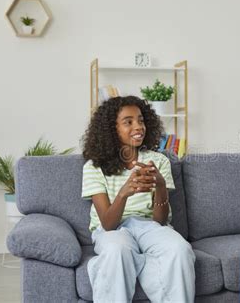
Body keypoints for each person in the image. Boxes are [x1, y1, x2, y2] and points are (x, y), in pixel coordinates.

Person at [81, 95, 195, 303]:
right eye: (128, 122)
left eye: (141, 120)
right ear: (111, 128)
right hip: (113, 230)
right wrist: (124, 192)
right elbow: (107, 224)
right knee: (118, 250)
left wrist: (160, 186)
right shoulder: (94, 166)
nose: (138, 126)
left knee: (179, 248)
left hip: (149, 227)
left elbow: (159, 221)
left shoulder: (158, 161)